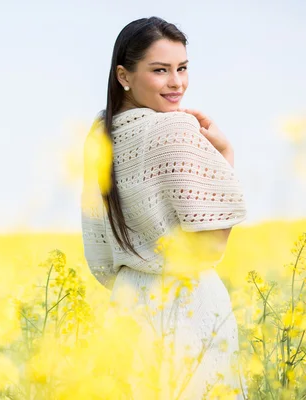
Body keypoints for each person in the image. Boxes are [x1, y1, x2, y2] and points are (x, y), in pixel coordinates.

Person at [81, 17, 248, 399]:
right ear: (124, 75)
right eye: (160, 70)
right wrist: (225, 153)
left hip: (126, 305)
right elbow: (210, 249)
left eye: (182, 68)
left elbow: (101, 254)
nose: (177, 83)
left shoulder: (99, 135)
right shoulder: (174, 130)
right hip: (187, 304)